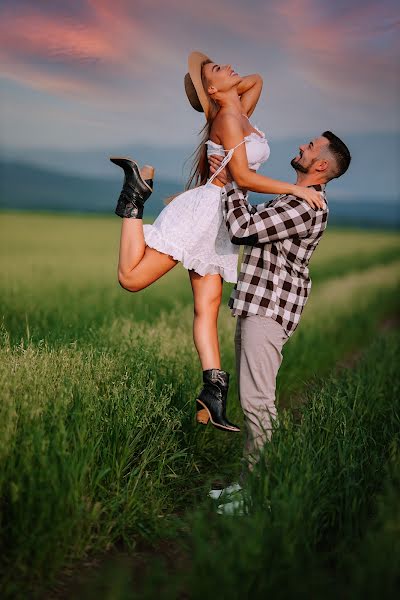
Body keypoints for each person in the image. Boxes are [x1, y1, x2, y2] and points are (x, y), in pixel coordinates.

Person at [109, 51, 324, 435]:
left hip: (221, 218)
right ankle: (133, 200)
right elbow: (242, 174)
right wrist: (295, 188)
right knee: (131, 278)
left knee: (206, 308)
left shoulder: (236, 111)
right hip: (207, 210)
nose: (229, 67)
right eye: (217, 69)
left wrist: (223, 90)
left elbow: (256, 78)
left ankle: (213, 391)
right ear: (211, 87)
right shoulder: (226, 118)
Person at [207, 131, 351, 514]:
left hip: (269, 309)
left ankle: (257, 495)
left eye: (310, 147)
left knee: (258, 403)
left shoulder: (306, 206)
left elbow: (243, 229)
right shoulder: (293, 197)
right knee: (253, 400)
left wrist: (232, 182)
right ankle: (246, 486)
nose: (302, 147)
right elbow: (252, 222)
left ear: (321, 165)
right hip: (258, 304)